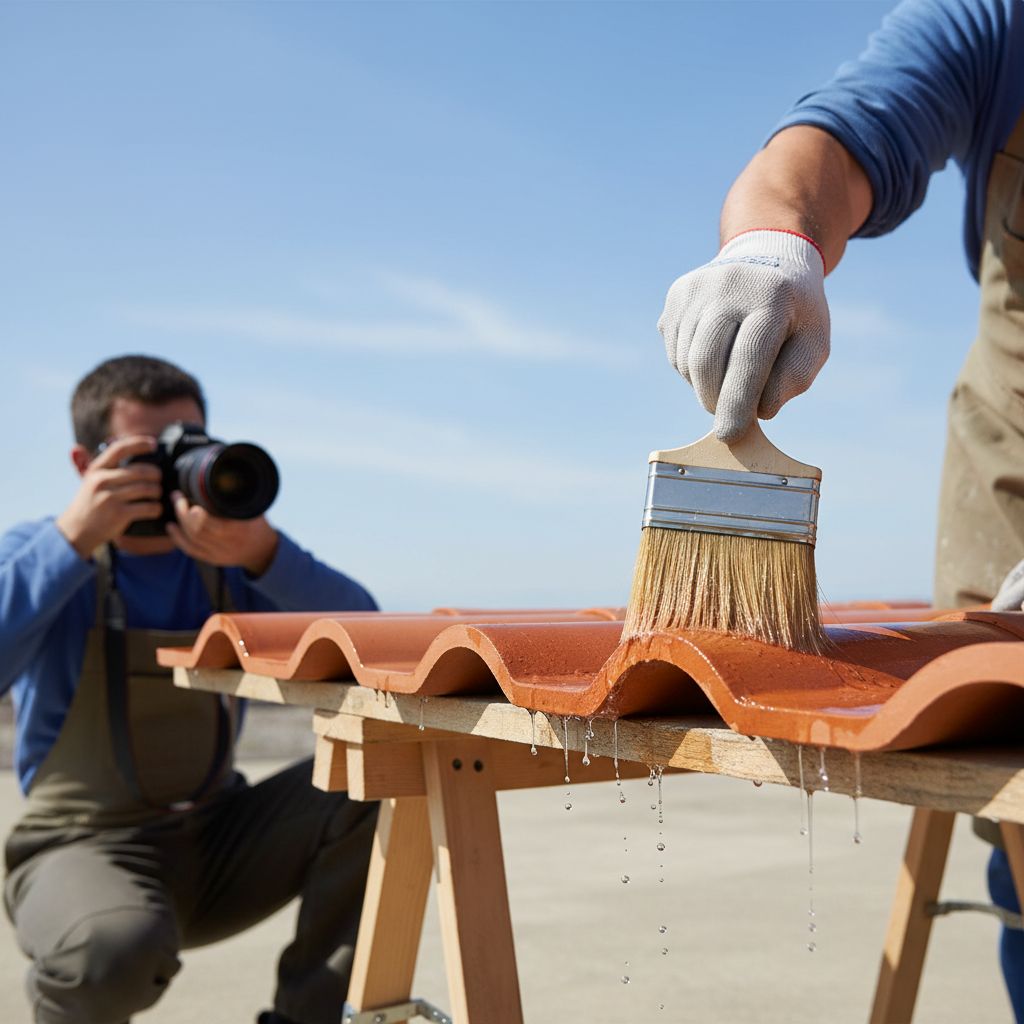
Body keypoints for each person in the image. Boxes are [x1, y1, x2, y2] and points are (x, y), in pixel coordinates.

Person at [654, 0, 1024, 1015]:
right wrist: (776, 244)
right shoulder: (994, 23)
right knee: (1015, 781)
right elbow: (836, 138)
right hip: (1016, 450)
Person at [0, 354, 380, 1024]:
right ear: (86, 466)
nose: (168, 474)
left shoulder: (229, 559)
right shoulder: (42, 553)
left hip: (219, 838)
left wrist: (265, 552)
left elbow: (369, 643)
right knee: (110, 949)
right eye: (144, 457)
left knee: (382, 777)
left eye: (186, 450)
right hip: (80, 848)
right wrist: (73, 542)